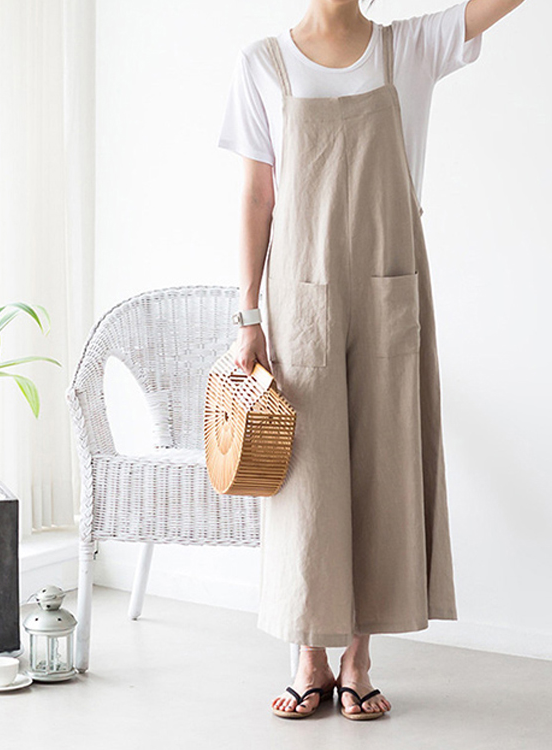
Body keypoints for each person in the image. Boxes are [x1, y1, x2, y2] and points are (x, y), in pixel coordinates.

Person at [218, 0, 524, 720]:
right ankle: (309, 656)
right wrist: (248, 315)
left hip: (389, 282)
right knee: (308, 477)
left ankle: (358, 656)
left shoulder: (408, 48)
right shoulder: (262, 63)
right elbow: (257, 196)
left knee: (382, 468)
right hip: (297, 295)